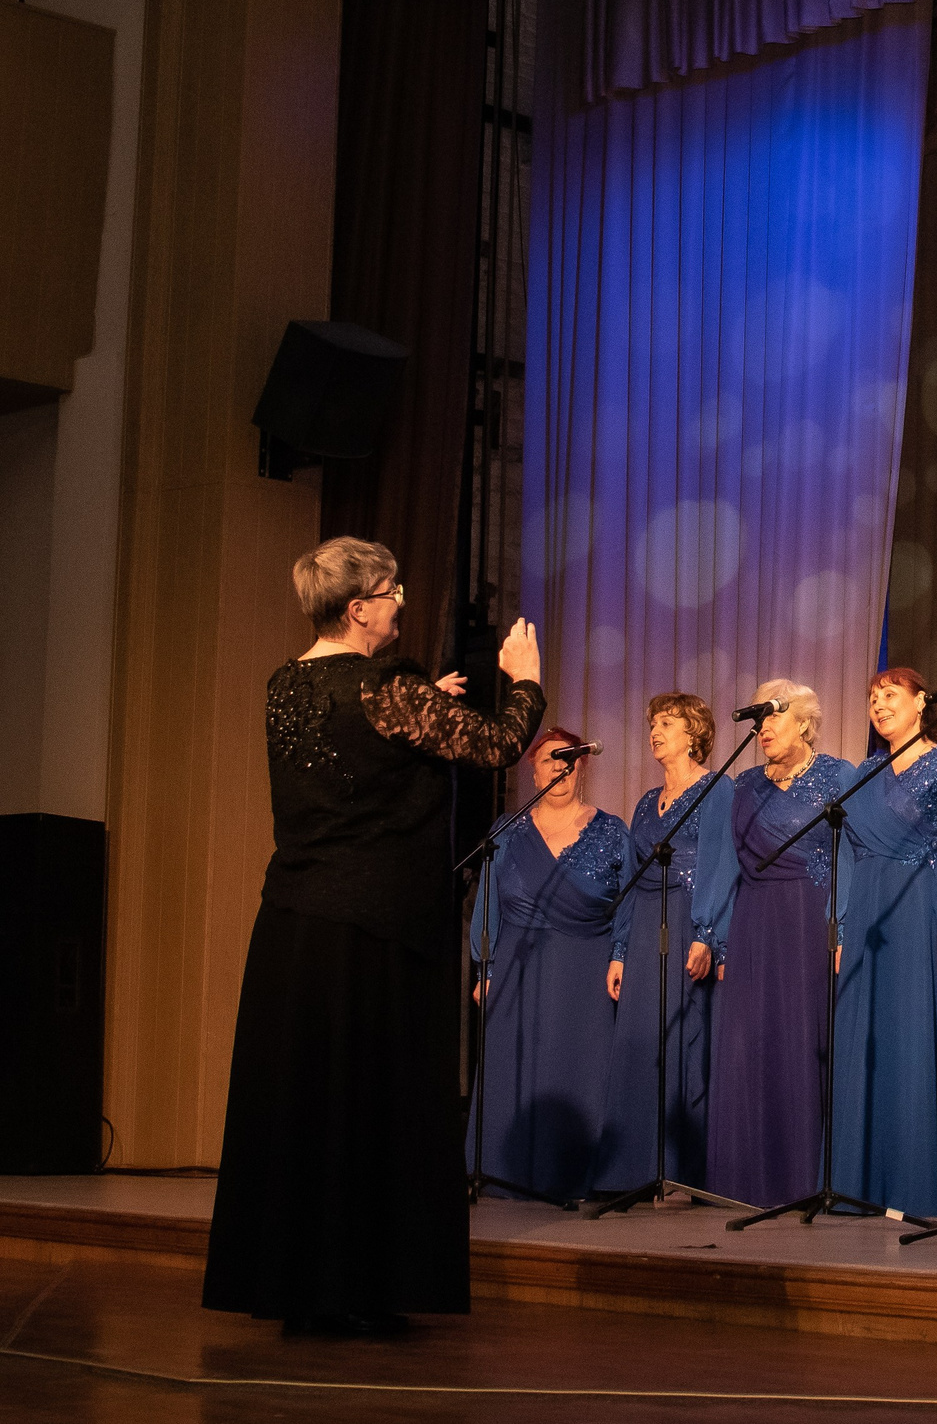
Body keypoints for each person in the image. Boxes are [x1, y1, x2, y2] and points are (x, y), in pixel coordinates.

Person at [204, 537, 544, 1335]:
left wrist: (427, 696)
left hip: (294, 924)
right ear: (358, 607)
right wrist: (525, 680)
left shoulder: (285, 682)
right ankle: (359, 1282)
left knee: (310, 1108)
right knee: (371, 1105)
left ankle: (305, 1287)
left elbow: (363, 752)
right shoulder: (385, 685)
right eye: (391, 589)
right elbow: (495, 744)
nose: (400, 599)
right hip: (374, 930)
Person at [829, 668, 937, 1216]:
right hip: (868, 917)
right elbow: (845, 855)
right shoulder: (862, 774)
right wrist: (841, 926)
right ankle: (863, 1183)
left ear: (922, 703)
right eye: (872, 698)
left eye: (890, 695)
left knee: (913, 1042)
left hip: (922, 912)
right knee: (867, 1044)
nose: (879, 705)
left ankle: (917, 1183)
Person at [466, 729, 631, 1203]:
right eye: (548, 760)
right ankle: (503, 1172)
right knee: (514, 1067)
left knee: (577, 1066)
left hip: (586, 964)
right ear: (532, 770)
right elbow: (488, 904)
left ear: (582, 768)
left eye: (569, 760)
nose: (558, 769)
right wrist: (484, 968)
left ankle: (578, 1175)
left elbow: (630, 903)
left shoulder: (611, 830)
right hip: (517, 963)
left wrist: (620, 955)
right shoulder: (507, 829)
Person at [703, 679, 850, 1208]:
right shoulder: (740, 785)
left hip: (812, 919)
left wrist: (843, 924)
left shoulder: (838, 776)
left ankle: (805, 1179)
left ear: (804, 722)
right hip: (753, 922)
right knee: (750, 1045)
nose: (763, 728)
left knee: (802, 1041)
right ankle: (747, 1178)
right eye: (759, 719)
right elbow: (723, 865)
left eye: (774, 717)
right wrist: (712, 937)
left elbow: (852, 857)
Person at [596, 692, 735, 1195]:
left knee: (685, 1039)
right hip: (644, 927)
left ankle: (680, 1172)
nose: (655, 731)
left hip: (688, 918)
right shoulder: (643, 803)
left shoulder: (719, 790)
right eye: (653, 722)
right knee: (640, 1044)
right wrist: (618, 951)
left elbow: (723, 865)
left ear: (694, 733)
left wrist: (707, 934)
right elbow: (631, 878)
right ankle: (632, 1169)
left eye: (668, 722)